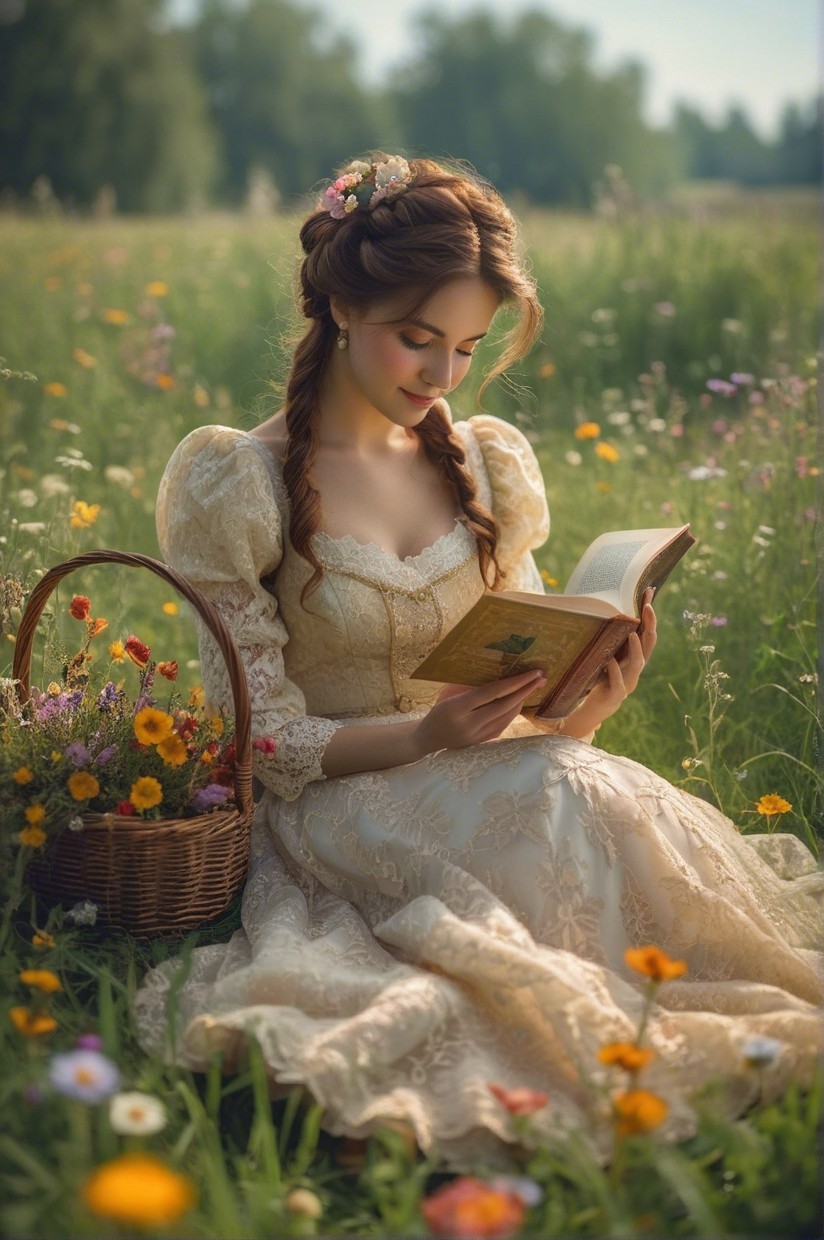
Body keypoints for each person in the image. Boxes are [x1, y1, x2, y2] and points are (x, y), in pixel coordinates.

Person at [135, 154, 822, 1167]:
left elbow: (532, 704)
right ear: (340, 304)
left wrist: (589, 695)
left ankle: (644, 1009)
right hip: (342, 806)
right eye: (417, 340)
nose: (443, 375)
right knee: (554, 796)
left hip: (498, 773)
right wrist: (425, 734)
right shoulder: (238, 479)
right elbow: (261, 738)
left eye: (466, 346)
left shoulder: (483, 460)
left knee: (581, 785)